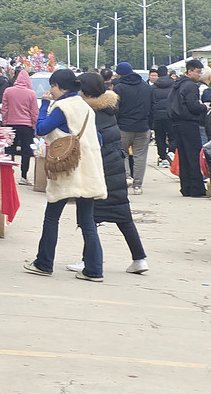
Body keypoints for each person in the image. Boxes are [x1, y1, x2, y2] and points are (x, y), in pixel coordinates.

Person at [23, 69, 107, 282]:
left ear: (61, 87)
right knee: (87, 221)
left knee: (52, 217)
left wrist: (43, 106)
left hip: (67, 168)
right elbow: (97, 137)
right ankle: (94, 269)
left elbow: (41, 128)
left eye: (52, 86)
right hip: (87, 168)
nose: (50, 91)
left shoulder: (62, 107)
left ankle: (44, 263)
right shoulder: (86, 107)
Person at [65, 72, 148, 275]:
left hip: (99, 171)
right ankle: (140, 259)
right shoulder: (109, 109)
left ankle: (88, 261)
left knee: (89, 218)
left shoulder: (89, 114)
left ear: (83, 91)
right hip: (115, 169)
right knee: (123, 217)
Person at [167, 59, 207, 198]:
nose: (199, 75)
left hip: (177, 123)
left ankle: (186, 187)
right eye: (198, 72)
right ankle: (196, 188)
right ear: (190, 71)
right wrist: (204, 107)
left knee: (183, 156)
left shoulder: (177, 84)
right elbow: (192, 105)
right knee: (193, 156)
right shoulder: (191, 86)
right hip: (189, 123)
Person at [112, 62, 153, 195]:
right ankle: (138, 185)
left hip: (124, 127)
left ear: (119, 74)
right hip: (143, 126)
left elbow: (115, 109)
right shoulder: (146, 87)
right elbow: (152, 107)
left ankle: (127, 177)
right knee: (140, 156)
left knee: (121, 154)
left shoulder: (119, 88)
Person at [1, 70, 38, 184]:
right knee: (26, 151)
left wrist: (5, 122)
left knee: (9, 149)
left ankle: (8, 174)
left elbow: (4, 109)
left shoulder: (8, 91)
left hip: (11, 124)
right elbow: (34, 112)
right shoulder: (32, 94)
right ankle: (23, 176)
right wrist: (35, 125)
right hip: (26, 126)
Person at [150, 65, 173, 166]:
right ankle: (172, 154)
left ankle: (162, 157)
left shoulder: (153, 88)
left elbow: (151, 102)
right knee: (173, 136)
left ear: (158, 74)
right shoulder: (174, 85)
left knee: (160, 137)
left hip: (157, 116)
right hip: (171, 115)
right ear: (167, 73)